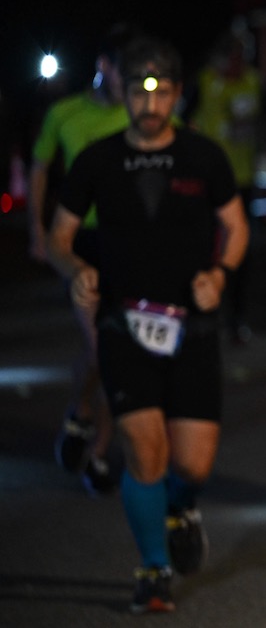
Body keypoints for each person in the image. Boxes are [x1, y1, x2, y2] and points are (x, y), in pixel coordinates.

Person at [46, 35, 249, 614]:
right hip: (122, 320)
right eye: (139, 91)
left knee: (192, 464)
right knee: (144, 451)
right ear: (123, 93)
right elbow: (60, 237)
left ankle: (182, 507)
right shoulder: (98, 159)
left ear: (179, 95)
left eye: (161, 92)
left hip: (194, 327)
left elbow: (236, 229)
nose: (150, 103)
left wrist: (221, 272)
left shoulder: (204, 157)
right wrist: (77, 267)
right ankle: (153, 569)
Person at [28, 24, 134, 496]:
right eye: (123, 70)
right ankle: (81, 413)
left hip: (128, 241)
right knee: (101, 349)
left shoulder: (143, 114)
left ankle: (97, 447)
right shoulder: (65, 114)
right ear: (104, 66)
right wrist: (37, 228)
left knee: (118, 353)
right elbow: (39, 168)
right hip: (79, 243)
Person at [189, 26, 263, 345]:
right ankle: (204, 314)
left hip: (243, 177)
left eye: (240, 58)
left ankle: (236, 320)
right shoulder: (203, 82)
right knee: (204, 248)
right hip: (205, 181)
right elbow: (180, 117)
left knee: (240, 250)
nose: (236, 65)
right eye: (230, 59)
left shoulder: (253, 82)